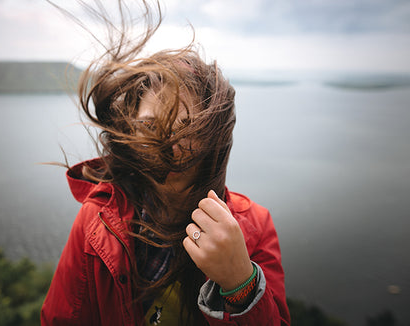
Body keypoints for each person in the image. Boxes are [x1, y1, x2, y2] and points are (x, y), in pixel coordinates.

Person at [41, 1, 290, 325]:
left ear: (213, 134)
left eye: (187, 127)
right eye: (149, 127)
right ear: (130, 130)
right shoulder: (97, 219)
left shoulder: (254, 226)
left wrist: (241, 283)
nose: (168, 146)